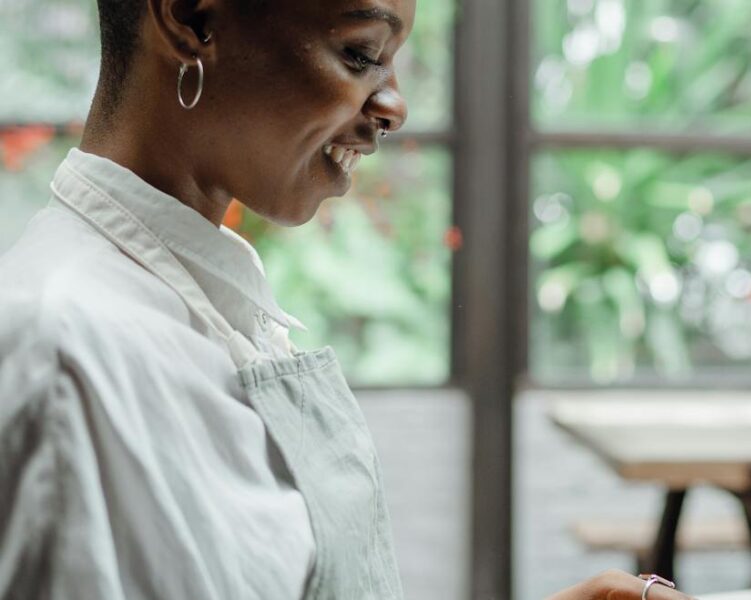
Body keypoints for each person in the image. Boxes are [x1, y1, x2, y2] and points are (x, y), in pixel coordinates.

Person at [0, 1, 695, 598]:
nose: (394, 106)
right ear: (189, 18)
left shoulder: (197, 295)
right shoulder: (69, 348)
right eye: (362, 53)